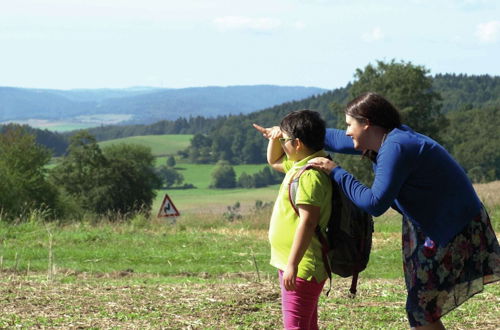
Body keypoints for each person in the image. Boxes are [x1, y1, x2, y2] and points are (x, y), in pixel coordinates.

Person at [304, 92, 500, 329]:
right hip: (434, 223)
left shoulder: (396, 147)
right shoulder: (385, 139)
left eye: (349, 124)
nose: (346, 131)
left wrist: (336, 171)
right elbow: (334, 138)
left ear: (366, 123)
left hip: (452, 226)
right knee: (421, 308)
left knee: (421, 309)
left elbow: (375, 203)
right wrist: (294, 131)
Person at [253, 110, 332, 330]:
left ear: (297, 143)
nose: (282, 145)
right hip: (295, 264)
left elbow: (308, 223)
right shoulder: (300, 165)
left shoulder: (310, 175)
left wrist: (292, 264)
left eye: (285, 141)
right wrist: (276, 137)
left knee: (295, 326)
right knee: (307, 325)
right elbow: (274, 160)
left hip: (302, 266)